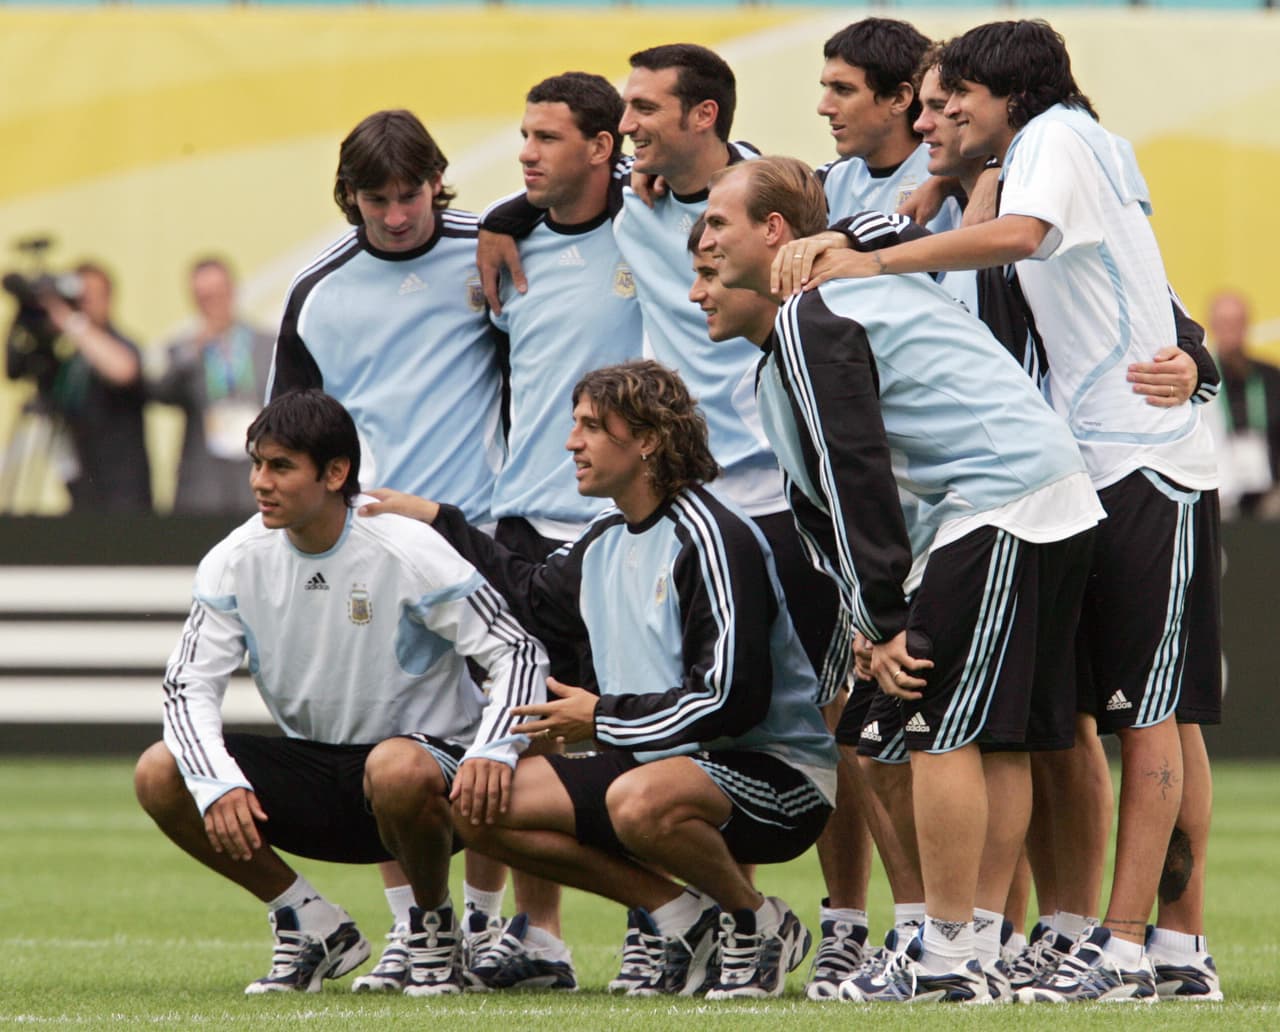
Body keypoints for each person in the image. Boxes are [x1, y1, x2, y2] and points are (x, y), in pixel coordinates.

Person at [773, 20, 1223, 1003]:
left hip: (1125, 460)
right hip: (1076, 466)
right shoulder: (1013, 171)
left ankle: (1133, 948)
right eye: (930, 105)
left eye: (949, 101)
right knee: (1067, 719)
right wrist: (930, 200)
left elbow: (1038, 246)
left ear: (1001, 96)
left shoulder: (1053, 141)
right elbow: (1118, 275)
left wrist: (1200, 364)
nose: (937, 118)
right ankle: (1060, 941)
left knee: (1145, 716)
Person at [479, 46, 866, 996]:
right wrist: (505, 214)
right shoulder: (636, 198)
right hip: (691, 495)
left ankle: (851, 923)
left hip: (782, 498)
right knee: (653, 699)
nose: (631, 123)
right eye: (625, 110)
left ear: (704, 117)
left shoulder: (773, 199)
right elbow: (561, 175)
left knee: (835, 713)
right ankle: (676, 919)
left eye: (646, 108)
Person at [701, 155, 1102, 1004]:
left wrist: (883, 620)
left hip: (998, 501)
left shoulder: (814, 311)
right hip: (1029, 497)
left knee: (935, 728)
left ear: (775, 234)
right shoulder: (817, 316)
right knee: (974, 736)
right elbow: (831, 496)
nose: (700, 250)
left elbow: (855, 476)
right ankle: (966, 943)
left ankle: (952, 956)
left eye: (717, 226)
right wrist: (863, 621)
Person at [364, 360, 837, 999]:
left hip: (775, 778)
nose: (571, 442)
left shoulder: (715, 537)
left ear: (646, 440)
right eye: (574, 424)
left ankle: (754, 922)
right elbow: (528, 595)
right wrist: (437, 520)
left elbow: (733, 697)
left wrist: (601, 718)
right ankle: (684, 918)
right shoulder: (604, 537)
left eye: (590, 425)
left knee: (638, 799)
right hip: (649, 768)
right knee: (479, 807)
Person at [132, 389, 548, 996]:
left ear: (335, 473)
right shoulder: (235, 558)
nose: (260, 482)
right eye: (257, 464)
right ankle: (308, 922)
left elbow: (516, 651)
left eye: (280, 466)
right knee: (160, 772)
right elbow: (187, 685)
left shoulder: (406, 546)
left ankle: (433, 930)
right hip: (320, 774)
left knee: (395, 765)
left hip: (432, 783)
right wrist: (216, 782)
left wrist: (492, 751)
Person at [267, 108, 515, 986]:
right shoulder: (318, 289)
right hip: (366, 540)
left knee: (496, 726)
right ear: (349, 198)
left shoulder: (489, 245)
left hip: (477, 529)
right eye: (378, 199)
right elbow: (286, 427)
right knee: (386, 733)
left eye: (411, 194)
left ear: (436, 183)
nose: (399, 214)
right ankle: (417, 924)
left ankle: (487, 928)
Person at [464, 70, 645, 992]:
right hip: (527, 520)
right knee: (534, 729)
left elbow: (733, 169)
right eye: (522, 137)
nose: (526, 153)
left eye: (546, 138)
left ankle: (657, 915)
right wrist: (506, 211)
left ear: (603, 146)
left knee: (641, 732)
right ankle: (539, 935)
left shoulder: (654, 225)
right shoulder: (511, 243)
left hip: (627, 524)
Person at [150, 257, 273, 515]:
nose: (214, 304)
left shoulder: (268, 345)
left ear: (233, 292)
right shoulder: (183, 350)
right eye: (204, 297)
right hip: (204, 482)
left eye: (219, 294)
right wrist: (194, 349)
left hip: (257, 474)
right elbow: (161, 393)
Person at [35, 261, 151, 513]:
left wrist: (71, 321)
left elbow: (123, 370)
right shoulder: (68, 359)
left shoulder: (122, 344)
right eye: (77, 298)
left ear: (108, 299)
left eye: (89, 297)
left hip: (124, 497)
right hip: (82, 493)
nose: (82, 306)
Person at [1207, 290, 1280, 518]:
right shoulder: (1204, 378)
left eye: (1236, 322)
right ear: (1213, 326)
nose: (1230, 330)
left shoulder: (1269, 376)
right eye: (1224, 323)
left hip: (1268, 487)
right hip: (1219, 485)